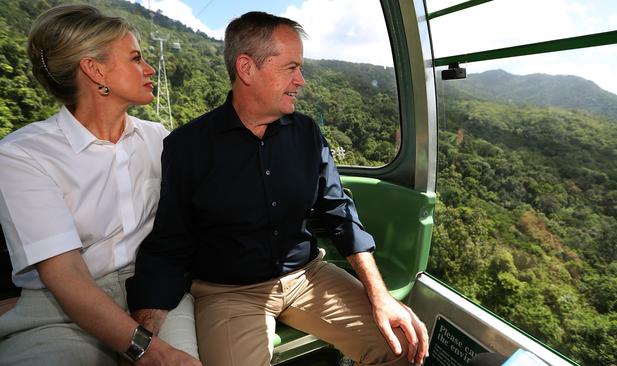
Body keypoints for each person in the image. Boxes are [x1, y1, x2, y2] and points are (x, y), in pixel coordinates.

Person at [127, 11, 429, 366]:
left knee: (401, 346)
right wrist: (143, 338)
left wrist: (379, 295)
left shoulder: (306, 134)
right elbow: (170, 243)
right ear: (246, 68)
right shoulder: (187, 147)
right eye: (290, 67)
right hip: (229, 293)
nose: (301, 80)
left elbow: (339, 214)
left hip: (308, 275)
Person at [0, 5, 201, 366]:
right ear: (94, 70)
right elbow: (65, 275)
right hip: (62, 306)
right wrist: (149, 351)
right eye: (136, 58)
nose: (150, 68)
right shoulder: (23, 155)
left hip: (156, 290)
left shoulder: (158, 139)